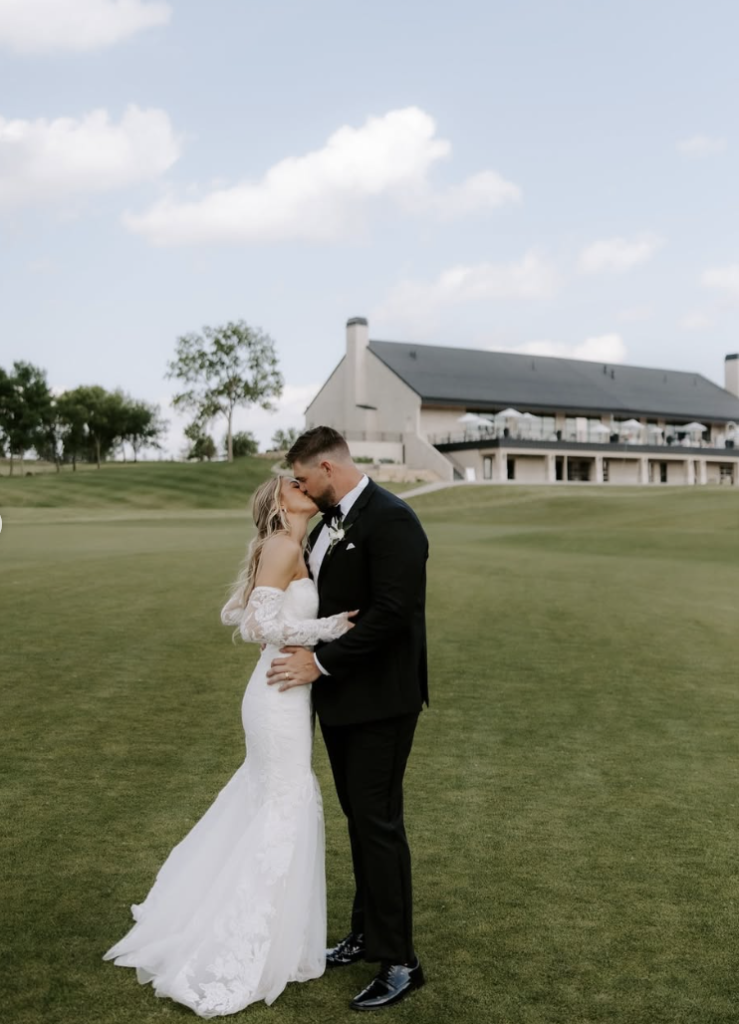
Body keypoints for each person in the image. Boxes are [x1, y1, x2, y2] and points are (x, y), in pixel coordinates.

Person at [104, 474, 356, 1018]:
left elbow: (237, 612)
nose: (304, 484)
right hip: (277, 693)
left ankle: (271, 934)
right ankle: (246, 941)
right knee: (286, 799)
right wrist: (334, 628)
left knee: (273, 797)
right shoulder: (284, 543)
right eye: (293, 482)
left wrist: (300, 624)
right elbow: (258, 627)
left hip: (283, 688)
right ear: (279, 500)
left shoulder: (291, 545)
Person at [266, 425, 429, 1012]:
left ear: (328, 470)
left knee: (379, 824)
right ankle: (365, 935)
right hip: (342, 701)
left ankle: (401, 962)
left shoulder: (393, 520)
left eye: (304, 478)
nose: (299, 487)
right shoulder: (335, 522)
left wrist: (321, 663)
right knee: (360, 820)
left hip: (381, 701)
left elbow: (392, 613)